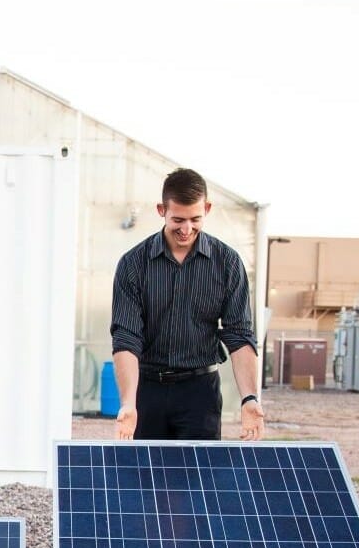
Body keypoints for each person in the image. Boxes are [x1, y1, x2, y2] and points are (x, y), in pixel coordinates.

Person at [109, 168, 264, 441]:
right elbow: (126, 338)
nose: (186, 229)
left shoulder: (227, 263)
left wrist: (249, 398)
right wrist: (128, 403)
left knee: (198, 480)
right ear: (161, 210)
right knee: (146, 479)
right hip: (148, 391)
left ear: (207, 208)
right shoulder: (133, 265)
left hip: (199, 392)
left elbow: (239, 334)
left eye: (195, 219)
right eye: (178, 220)